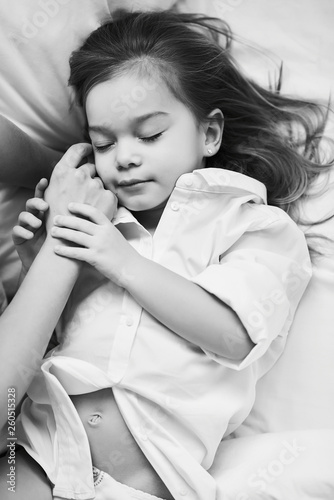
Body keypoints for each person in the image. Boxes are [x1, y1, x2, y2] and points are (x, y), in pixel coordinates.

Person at [1, 8, 332, 500]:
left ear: (210, 134)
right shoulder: (99, 222)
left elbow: (234, 335)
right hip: (33, 449)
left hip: (140, 480)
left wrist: (123, 261)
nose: (126, 156)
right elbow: (48, 346)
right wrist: (40, 261)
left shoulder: (253, 225)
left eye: (150, 135)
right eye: (104, 143)